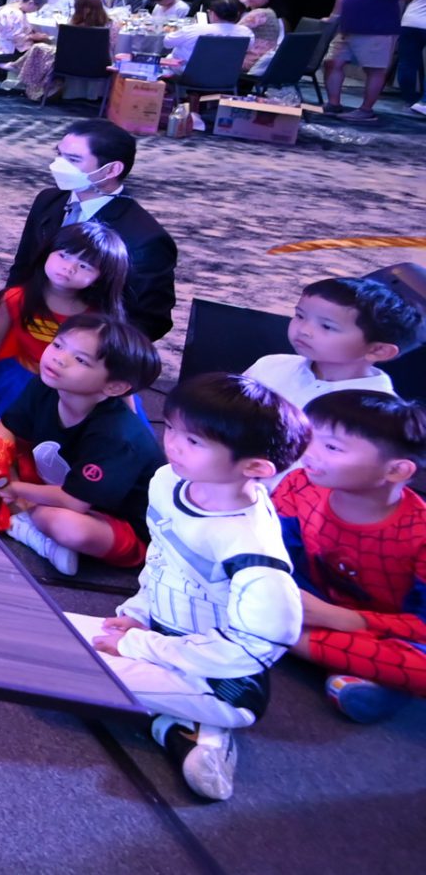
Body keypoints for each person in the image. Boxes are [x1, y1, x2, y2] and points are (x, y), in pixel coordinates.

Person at [67, 374, 306, 803]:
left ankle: (211, 724)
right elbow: (161, 559)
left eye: (193, 441)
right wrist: (138, 615)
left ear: (255, 468)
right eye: (173, 427)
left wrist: (139, 646)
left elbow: (253, 649)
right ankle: (179, 729)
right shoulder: (168, 481)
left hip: (221, 682)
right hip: (161, 637)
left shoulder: (253, 550)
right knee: (44, 636)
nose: (173, 444)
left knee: (61, 668)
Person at [0, 313, 165, 576]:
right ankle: (21, 516)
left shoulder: (118, 435)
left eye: (80, 360)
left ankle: (18, 514)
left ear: (114, 387)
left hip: (105, 515)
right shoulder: (48, 384)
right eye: (58, 345)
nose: (59, 358)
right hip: (58, 480)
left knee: (68, 527)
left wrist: (11, 486)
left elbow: (76, 503)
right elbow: (4, 426)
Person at [272, 391, 426, 722]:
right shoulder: (299, 485)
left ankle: (284, 637)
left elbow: (421, 624)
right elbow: (274, 554)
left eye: (332, 447)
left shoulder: (420, 533)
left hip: (390, 627)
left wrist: (344, 619)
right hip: (312, 597)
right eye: (309, 437)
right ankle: (366, 674)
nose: (308, 453)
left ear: (396, 470)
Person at [10, 119, 179, 341]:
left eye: (73, 160)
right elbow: (23, 266)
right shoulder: (48, 200)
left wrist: (88, 344)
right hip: (28, 324)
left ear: (111, 169)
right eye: (59, 155)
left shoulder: (145, 238)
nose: (57, 165)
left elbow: (151, 319)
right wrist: (9, 312)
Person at [0, 219, 130, 422]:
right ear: (48, 252)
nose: (69, 268)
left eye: (84, 266)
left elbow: (119, 363)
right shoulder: (15, 299)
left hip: (76, 383)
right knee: (6, 426)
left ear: (102, 278)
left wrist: (129, 413)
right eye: (63, 255)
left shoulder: (100, 314)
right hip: (25, 376)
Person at [241, 275, 419, 413]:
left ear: (378, 350)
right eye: (300, 316)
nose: (304, 330)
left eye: (326, 326)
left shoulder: (378, 414)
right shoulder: (270, 366)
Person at [323, 0, 406, 123]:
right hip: (347, 27)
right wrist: (334, 16)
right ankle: (333, 103)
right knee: (332, 62)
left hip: (376, 29)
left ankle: (366, 110)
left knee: (374, 69)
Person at [162, 0, 251, 75]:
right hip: (227, 74)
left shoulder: (195, 29)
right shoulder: (246, 32)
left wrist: (174, 31)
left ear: (213, 14)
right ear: (237, 14)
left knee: (167, 59)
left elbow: (167, 43)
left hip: (189, 73)